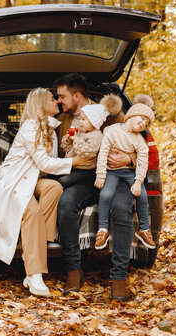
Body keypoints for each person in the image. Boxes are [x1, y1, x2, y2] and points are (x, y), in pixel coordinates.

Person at [0, 87, 92, 297]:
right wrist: (75, 162)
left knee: (54, 187)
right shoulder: (31, 127)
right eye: (53, 99)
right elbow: (43, 162)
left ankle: (35, 245)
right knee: (30, 212)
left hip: (33, 180)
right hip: (15, 179)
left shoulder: (51, 128)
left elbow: (47, 167)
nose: (58, 102)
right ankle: (34, 274)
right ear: (41, 103)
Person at [54, 73, 134, 301]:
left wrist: (129, 161)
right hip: (83, 179)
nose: (59, 101)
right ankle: (73, 270)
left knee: (120, 207)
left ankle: (118, 278)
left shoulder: (111, 115)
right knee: (66, 202)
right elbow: (62, 155)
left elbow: (138, 142)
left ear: (77, 95)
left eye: (62, 96)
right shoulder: (64, 121)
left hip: (114, 177)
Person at [94, 94, 156, 250]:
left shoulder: (140, 141)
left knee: (141, 194)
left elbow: (143, 163)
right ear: (131, 115)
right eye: (141, 118)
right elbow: (103, 154)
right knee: (105, 194)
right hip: (111, 172)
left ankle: (144, 229)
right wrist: (101, 175)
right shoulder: (111, 131)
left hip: (129, 172)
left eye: (146, 123)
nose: (143, 123)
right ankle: (103, 230)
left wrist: (138, 182)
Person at [56, 94, 122, 188]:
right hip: (74, 168)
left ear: (93, 122)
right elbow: (67, 149)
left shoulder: (97, 136)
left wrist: (75, 140)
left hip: (86, 171)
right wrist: (68, 140)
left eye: (83, 119)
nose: (80, 122)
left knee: (63, 181)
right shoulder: (83, 134)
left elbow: (87, 152)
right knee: (57, 178)